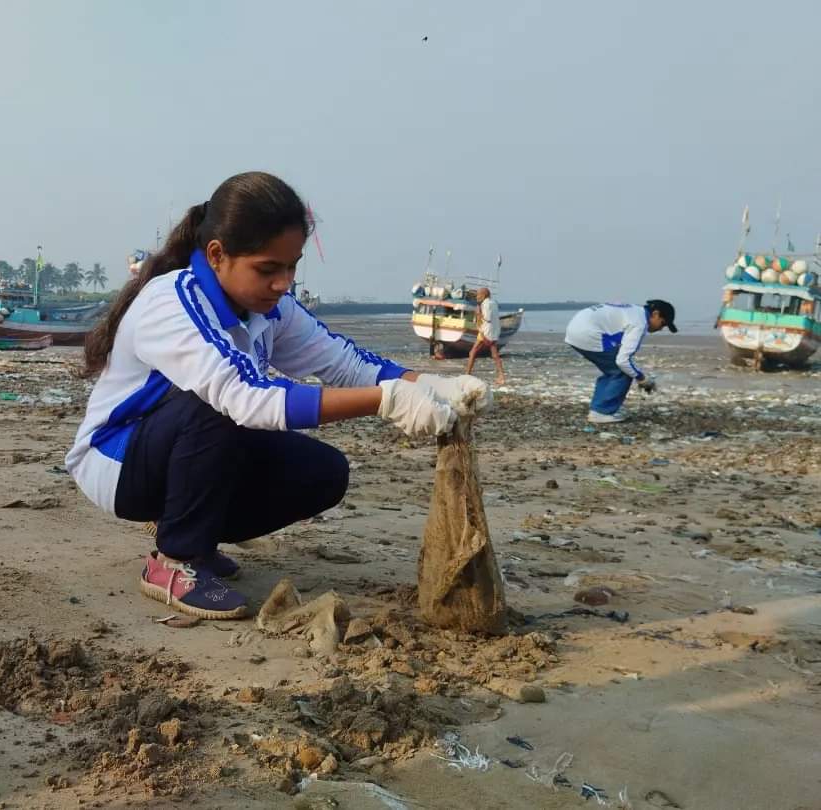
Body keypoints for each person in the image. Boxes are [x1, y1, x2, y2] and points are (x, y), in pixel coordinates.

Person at [66, 172, 490, 620]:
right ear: (217, 255)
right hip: (117, 461)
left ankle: (191, 531)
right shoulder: (171, 304)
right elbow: (247, 397)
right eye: (268, 269)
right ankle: (176, 561)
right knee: (217, 403)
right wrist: (384, 401)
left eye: (292, 266)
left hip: (182, 450)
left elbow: (342, 362)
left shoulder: (270, 308)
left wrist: (425, 384)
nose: (283, 283)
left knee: (324, 472)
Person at [564, 300, 677, 423]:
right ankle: (601, 412)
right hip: (589, 334)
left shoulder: (634, 310)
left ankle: (599, 408)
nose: (660, 329)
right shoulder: (639, 323)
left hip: (575, 330)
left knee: (612, 370)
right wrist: (642, 379)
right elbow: (623, 361)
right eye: (663, 323)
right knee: (622, 372)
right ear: (655, 314)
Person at [464, 287, 506, 385]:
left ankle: (467, 374)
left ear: (483, 295)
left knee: (472, 352)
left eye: (478, 295)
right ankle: (501, 376)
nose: (477, 297)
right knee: (495, 355)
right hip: (493, 331)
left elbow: (487, 318)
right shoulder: (493, 302)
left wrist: (478, 313)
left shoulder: (485, 305)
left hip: (485, 332)